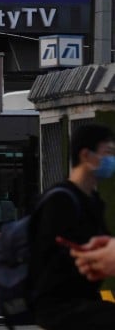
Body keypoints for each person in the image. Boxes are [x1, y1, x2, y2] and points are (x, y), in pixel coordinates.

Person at [28, 123, 115, 330]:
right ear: (86, 155)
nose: (111, 160)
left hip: (85, 300)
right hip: (58, 307)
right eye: (108, 153)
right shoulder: (60, 200)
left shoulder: (93, 200)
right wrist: (88, 257)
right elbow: (46, 258)